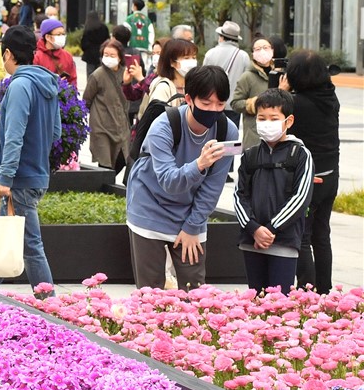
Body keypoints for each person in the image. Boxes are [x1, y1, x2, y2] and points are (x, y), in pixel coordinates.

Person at [125, 65, 239, 290]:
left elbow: (213, 187)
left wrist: (192, 227)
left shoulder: (229, 132)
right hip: (150, 207)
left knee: (194, 291)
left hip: (190, 213)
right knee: (151, 295)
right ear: (189, 99)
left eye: (220, 104)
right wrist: (200, 163)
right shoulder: (163, 127)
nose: (214, 110)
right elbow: (169, 182)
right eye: (206, 104)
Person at [0, 25, 62, 298]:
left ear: (8, 54)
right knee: (8, 239)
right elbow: (55, 133)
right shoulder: (47, 83)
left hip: (20, 178)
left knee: (31, 246)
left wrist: (5, 178)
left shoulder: (20, 85)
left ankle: (51, 305)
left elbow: (14, 136)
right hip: (36, 173)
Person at [234, 89, 314, 293]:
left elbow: (301, 197)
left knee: (279, 305)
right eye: (262, 118)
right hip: (252, 241)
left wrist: (271, 229)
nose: (267, 123)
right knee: (255, 302)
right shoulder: (250, 155)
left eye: (273, 118)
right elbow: (239, 195)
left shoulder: (300, 154)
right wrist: (253, 228)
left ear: (288, 121)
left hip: (283, 242)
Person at [282, 50, 340, 294]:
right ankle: (323, 289)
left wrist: (283, 91)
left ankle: (307, 289)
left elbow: (275, 118)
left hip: (309, 178)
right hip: (330, 175)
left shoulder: (297, 103)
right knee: (321, 234)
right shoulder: (330, 98)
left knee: (302, 235)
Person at [83, 39, 129, 171]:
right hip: (101, 126)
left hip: (120, 125)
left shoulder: (125, 73)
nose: (108, 58)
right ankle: (103, 189)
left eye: (112, 55)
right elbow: (86, 100)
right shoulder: (97, 75)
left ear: (120, 57)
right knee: (104, 163)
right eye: (106, 55)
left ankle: (106, 187)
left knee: (123, 158)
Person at [203, 21, 250, 131]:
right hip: (233, 105)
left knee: (211, 135)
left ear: (221, 37)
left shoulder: (210, 53)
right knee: (230, 137)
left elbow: (203, 79)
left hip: (212, 103)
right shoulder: (243, 56)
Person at [137, 38, 198, 119]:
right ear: (172, 62)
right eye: (186, 58)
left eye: (193, 57)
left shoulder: (193, 85)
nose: (191, 62)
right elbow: (158, 121)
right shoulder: (163, 88)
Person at [231, 36, 274, 149]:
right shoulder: (247, 76)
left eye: (266, 47)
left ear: (272, 50)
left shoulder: (279, 74)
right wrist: (255, 103)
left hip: (277, 132)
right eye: (258, 49)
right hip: (254, 136)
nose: (262, 51)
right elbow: (235, 103)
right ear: (252, 54)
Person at [112, 24, 144, 123]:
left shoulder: (113, 54)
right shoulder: (136, 52)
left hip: (117, 98)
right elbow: (143, 72)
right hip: (135, 98)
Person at [122, 37, 170, 105]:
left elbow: (154, 94)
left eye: (158, 53)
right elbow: (133, 95)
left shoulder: (171, 77)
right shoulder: (153, 74)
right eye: (153, 53)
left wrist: (141, 79)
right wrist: (127, 83)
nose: (155, 56)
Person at [33, 18, 76, 86]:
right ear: (48, 37)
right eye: (58, 34)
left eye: (63, 34)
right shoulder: (37, 57)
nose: (62, 37)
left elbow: (73, 80)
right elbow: (35, 82)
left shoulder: (67, 56)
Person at [80, 11, 110, 76]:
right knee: (100, 74)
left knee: (90, 74)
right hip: (101, 54)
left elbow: (83, 44)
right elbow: (108, 40)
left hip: (90, 56)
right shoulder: (104, 27)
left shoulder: (87, 28)